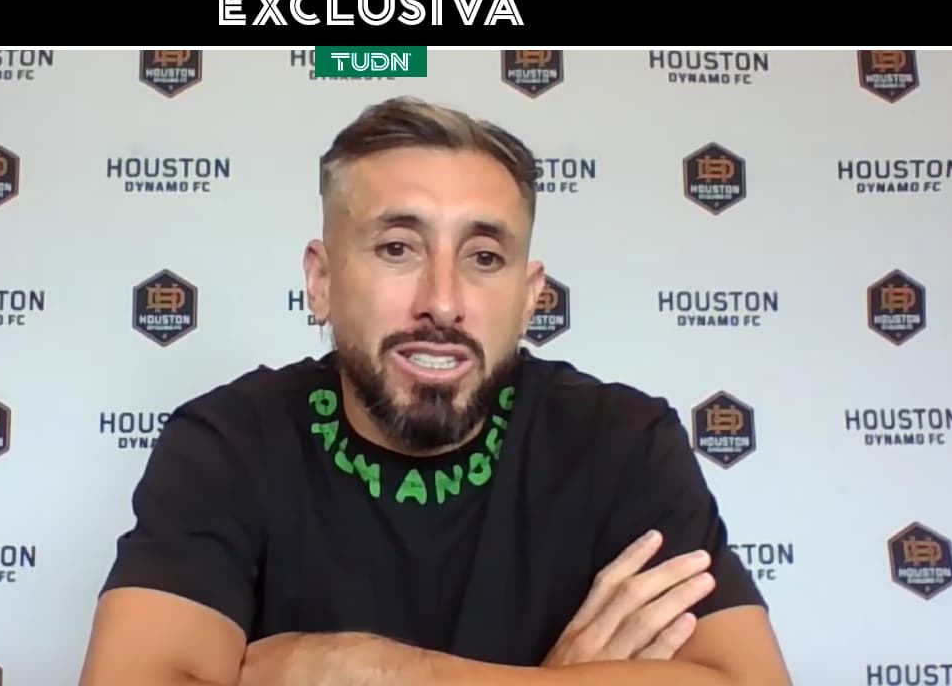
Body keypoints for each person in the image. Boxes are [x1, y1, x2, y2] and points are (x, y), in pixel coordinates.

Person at [78, 96, 792, 686]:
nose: (443, 303)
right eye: (398, 248)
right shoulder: (229, 442)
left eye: (484, 257)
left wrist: (379, 672)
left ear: (529, 297)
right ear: (321, 282)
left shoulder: (620, 442)